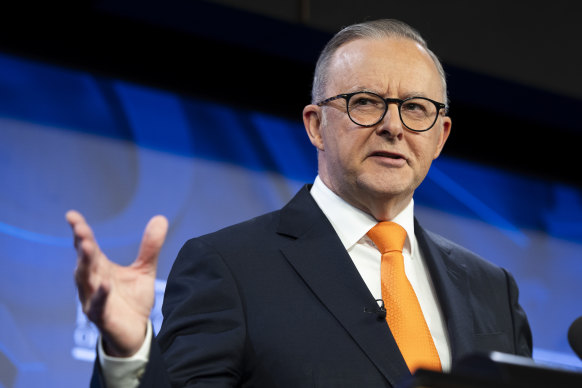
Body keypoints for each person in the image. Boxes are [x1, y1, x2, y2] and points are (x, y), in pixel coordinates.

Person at [68, 19, 532, 388]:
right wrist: (130, 357)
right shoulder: (228, 268)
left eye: (416, 109)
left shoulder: (492, 290)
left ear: (440, 136)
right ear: (315, 125)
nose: (394, 126)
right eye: (366, 102)